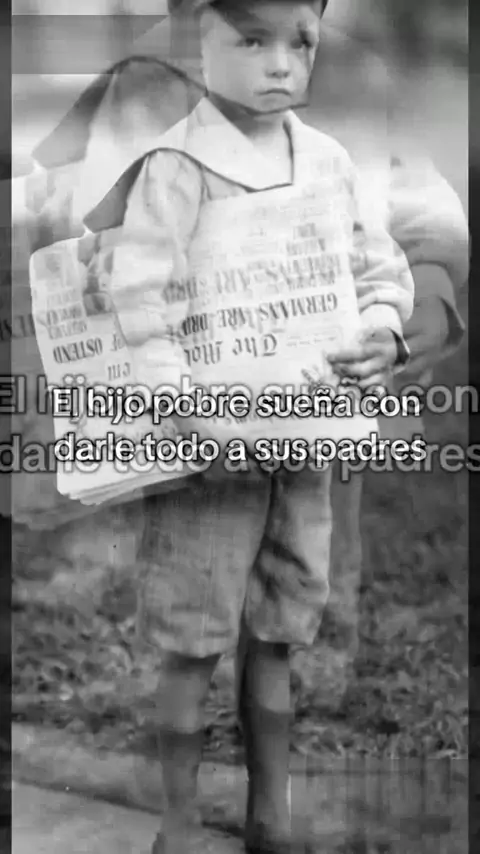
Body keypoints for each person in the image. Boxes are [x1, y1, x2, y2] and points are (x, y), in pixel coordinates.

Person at [100, 2, 414, 852]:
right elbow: (140, 296)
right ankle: (176, 820)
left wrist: (383, 327)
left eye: (299, 42)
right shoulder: (178, 167)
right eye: (252, 40)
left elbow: (375, 267)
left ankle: (269, 805)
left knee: (279, 630)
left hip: (303, 442)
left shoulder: (329, 162)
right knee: (191, 639)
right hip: (207, 451)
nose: (281, 63)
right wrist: (176, 401)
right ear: (197, 41)